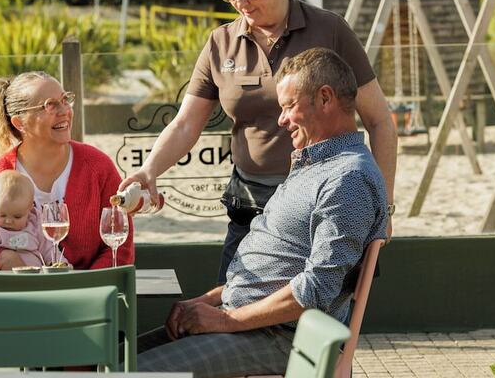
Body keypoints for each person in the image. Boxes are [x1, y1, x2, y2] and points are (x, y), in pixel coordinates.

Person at [120, 0, 396, 284]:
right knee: (231, 309)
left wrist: (383, 207)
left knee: (315, 317)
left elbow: (380, 122)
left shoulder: (329, 30)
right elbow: (187, 123)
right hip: (249, 207)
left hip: (324, 205)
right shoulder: (221, 43)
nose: (242, 3)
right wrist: (149, 171)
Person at [137, 48, 389, 377]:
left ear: (325, 98)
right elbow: (279, 267)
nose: (281, 120)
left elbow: (315, 292)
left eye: (288, 107)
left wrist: (224, 320)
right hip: (249, 324)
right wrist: (210, 301)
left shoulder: (349, 179)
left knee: (133, 372)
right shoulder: (317, 164)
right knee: (110, 362)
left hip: (281, 338)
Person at [0, 71, 134, 270]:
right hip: (17, 298)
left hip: (89, 295)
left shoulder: (97, 167)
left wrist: (84, 287)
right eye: (50, 105)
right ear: (19, 123)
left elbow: (121, 248)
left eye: (65, 100)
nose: (64, 111)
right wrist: (0, 259)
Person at [0, 170, 67, 271]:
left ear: (29, 209)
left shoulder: (34, 223)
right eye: (2, 215)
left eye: (17, 216)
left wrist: (61, 263)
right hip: (7, 280)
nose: (8, 221)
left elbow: (48, 248)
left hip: (36, 277)